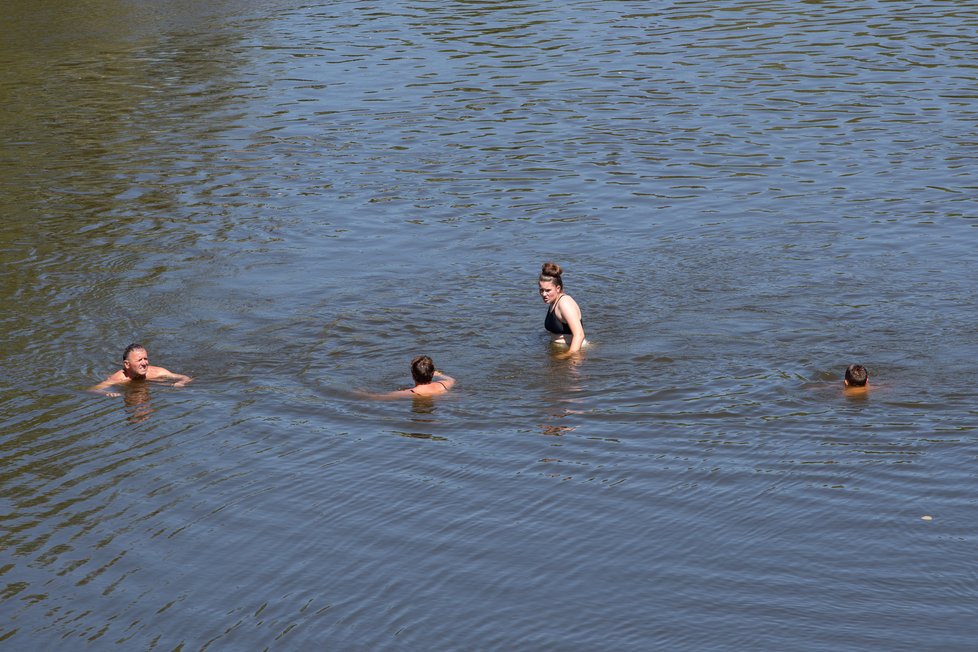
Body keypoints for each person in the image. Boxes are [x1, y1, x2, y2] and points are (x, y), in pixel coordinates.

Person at [90, 343, 192, 397]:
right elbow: (93, 389)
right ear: (127, 364)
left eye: (145, 359)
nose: (144, 363)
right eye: (139, 360)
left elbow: (185, 377)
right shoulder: (119, 379)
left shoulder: (157, 372)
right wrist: (107, 393)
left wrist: (181, 382)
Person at [538, 261, 586, 354]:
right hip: (559, 349)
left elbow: (579, 335)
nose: (544, 294)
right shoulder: (553, 301)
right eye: (541, 290)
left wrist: (568, 356)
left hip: (573, 350)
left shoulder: (565, 303)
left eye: (548, 290)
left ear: (558, 288)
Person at [365, 355, 455, 400]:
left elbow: (379, 397)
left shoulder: (409, 392)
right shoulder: (442, 385)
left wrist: (359, 393)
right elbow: (452, 379)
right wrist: (439, 375)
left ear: (413, 375)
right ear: (432, 374)